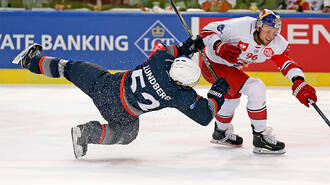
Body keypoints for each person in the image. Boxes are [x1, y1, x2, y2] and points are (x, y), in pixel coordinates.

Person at [11, 36, 230, 159]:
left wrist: (187, 47)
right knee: (127, 134)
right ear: (183, 82)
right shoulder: (179, 94)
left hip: (105, 85)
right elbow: (204, 116)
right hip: (122, 112)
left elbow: (169, 50)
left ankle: (29, 61)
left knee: (69, 67)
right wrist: (216, 94)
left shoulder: (160, 60)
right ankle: (88, 133)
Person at [199, 9, 317, 154]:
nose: (271, 35)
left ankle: (220, 132)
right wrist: (219, 46)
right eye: (268, 30)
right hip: (211, 64)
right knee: (256, 88)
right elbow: (206, 31)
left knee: (232, 96)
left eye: (275, 31)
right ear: (258, 26)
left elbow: (286, 63)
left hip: (230, 69)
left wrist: (299, 81)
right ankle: (260, 136)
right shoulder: (240, 27)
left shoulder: (277, 43)